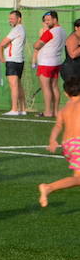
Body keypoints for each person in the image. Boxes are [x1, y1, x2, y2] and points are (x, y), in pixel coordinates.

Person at [39, 75, 80, 207]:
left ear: (65, 94)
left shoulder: (64, 109)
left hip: (67, 146)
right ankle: (49, 187)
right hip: (78, 144)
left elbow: (57, 126)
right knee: (78, 178)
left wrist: (52, 140)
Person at [33, 10, 64, 118]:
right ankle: (55, 111)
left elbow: (36, 45)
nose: (46, 22)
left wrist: (43, 32)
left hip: (46, 63)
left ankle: (48, 111)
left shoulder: (50, 32)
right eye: (45, 20)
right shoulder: (62, 30)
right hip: (56, 62)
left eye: (48, 20)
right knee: (54, 86)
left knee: (46, 87)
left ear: (55, 20)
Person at [2, 9, 27, 115]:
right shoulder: (21, 29)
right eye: (9, 18)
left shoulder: (17, 29)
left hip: (13, 60)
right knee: (18, 85)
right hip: (19, 60)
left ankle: (14, 109)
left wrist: (1, 56)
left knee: (14, 85)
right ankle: (22, 109)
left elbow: (3, 43)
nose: (10, 20)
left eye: (12, 18)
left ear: (19, 19)